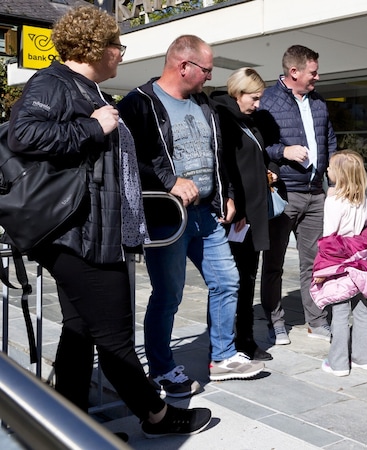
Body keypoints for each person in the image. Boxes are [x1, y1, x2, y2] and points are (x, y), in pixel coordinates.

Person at [7, 6, 211, 438]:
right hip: (79, 233)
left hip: (91, 231)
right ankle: (156, 416)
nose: (121, 53)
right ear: (97, 47)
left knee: (80, 331)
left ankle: (68, 426)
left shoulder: (88, 89)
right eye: (118, 45)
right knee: (115, 338)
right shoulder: (55, 82)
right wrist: (92, 128)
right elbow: (23, 135)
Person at [118, 35, 264, 398]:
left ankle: (224, 356)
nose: (210, 77)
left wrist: (227, 193)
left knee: (228, 281)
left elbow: (219, 155)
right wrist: (168, 182)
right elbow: (126, 163)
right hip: (167, 218)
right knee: (169, 295)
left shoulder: (205, 103)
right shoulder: (139, 103)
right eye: (206, 70)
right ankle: (163, 368)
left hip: (206, 216)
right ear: (183, 66)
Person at [258, 45, 337, 344]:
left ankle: (316, 320)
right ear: (294, 72)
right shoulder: (267, 100)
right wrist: (284, 151)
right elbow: (258, 142)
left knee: (315, 263)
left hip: (315, 193)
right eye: (313, 72)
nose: (317, 77)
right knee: (274, 262)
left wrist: (331, 168)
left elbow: (329, 138)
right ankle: (275, 321)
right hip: (285, 193)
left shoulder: (318, 102)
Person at [210, 68, 274, 361]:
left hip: (252, 214)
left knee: (247, 278)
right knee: (229, 281)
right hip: (237, 215)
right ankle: (226, 343)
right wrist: (233, 200)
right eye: (255, 97)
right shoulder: (221, 118)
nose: (258, 104)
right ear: (238, 93)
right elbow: (224, 165)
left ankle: (245, 339)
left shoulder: (248, 122)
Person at [310, 150, 367, 376]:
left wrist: (321, 271)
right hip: (360, 265)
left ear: (340, 174)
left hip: (340, 266)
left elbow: (328, 239)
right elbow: (366, 229)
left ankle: (338, 363)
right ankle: (365, 358)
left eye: (331, 167)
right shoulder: (362, 199)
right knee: (361, 309)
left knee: (340, 312)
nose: (327, 170)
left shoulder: (333, 201)